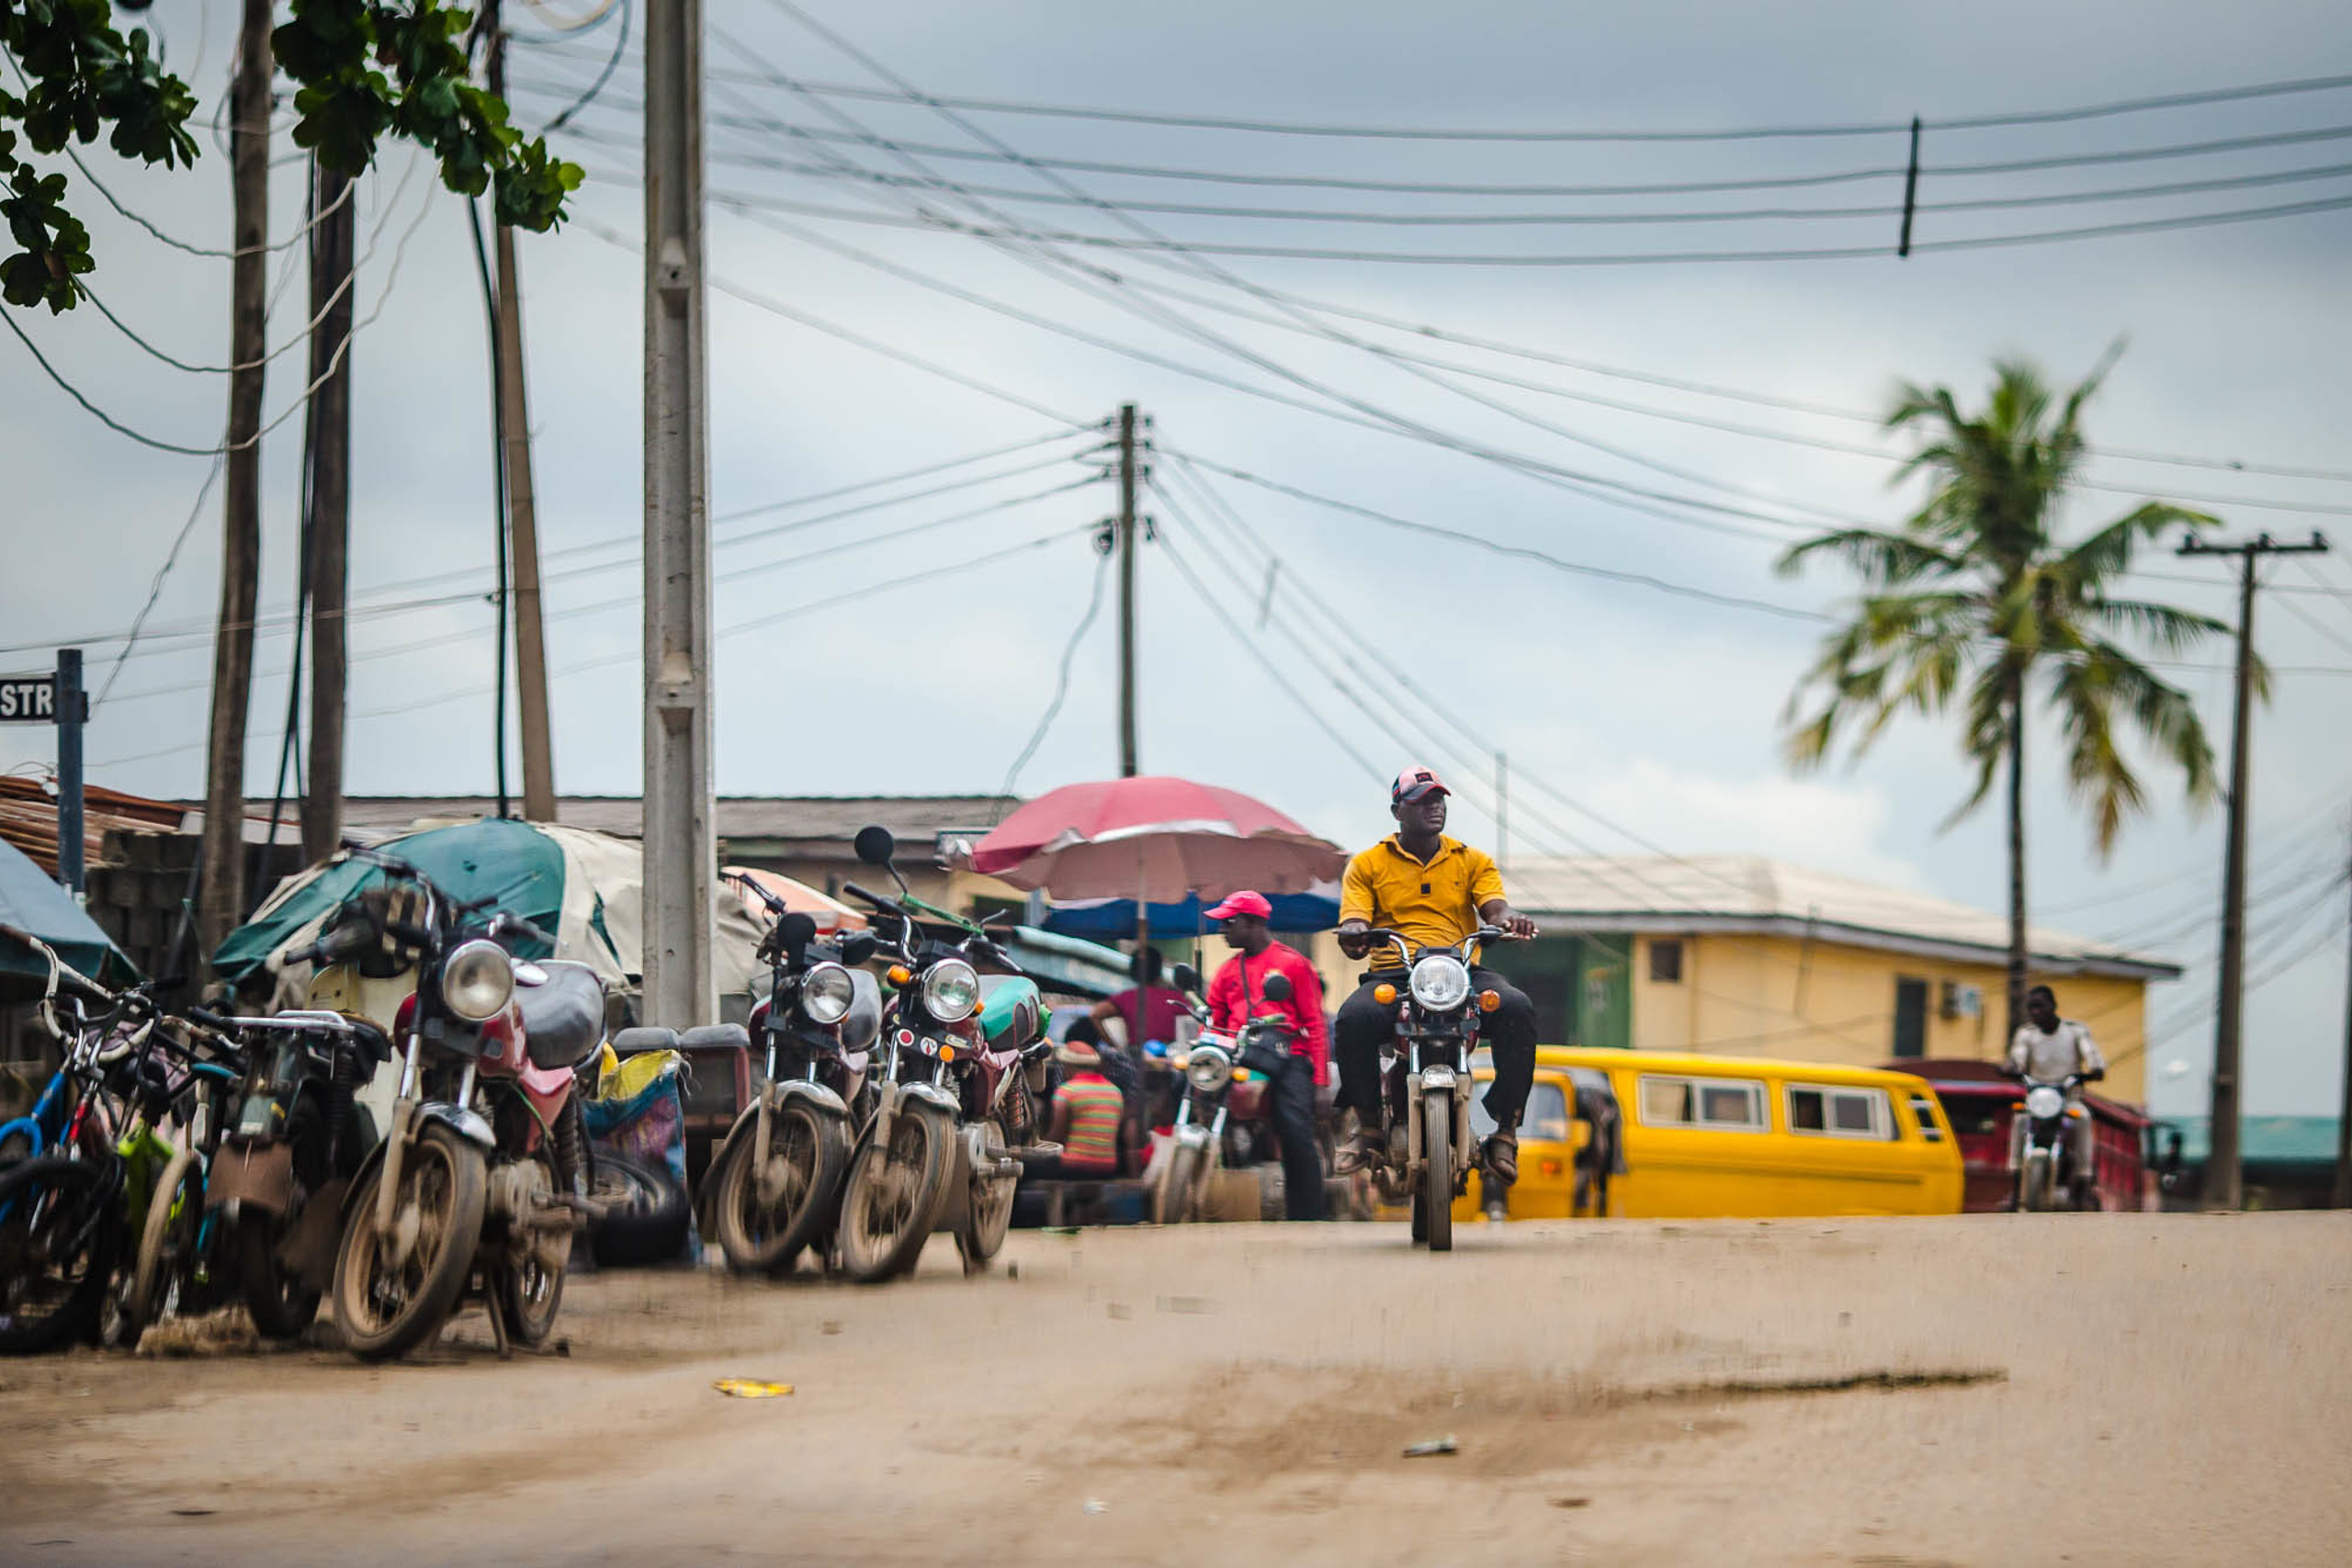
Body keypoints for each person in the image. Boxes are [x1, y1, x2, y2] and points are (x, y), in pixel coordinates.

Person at [1332, 764, 1540, 1188]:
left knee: (1517, 1007)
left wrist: (1510, 918)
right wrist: (1354, 932)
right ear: (1397, 811)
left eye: (1438, 800)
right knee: (1352, 1019)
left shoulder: (1472, 860)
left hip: (1461, 971)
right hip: (1394, 974)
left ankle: (1505, 1130)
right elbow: (1354, 917)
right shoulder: (1367, 864)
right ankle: (1368, 1123)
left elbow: (1495, 909)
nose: (1434, 808)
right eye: (1422, 801)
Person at [1202, 890, 1330, 1222]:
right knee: (1188, 1090)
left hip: (1289, 1055)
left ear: (1254, 923)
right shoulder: (1227, 971)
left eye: (1230, 922)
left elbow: (1315, 1023)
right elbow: (1214, 1019)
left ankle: (1307, 1215)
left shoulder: (1292, 963)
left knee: (1294, 1129)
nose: (1223, 929)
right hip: (1239, 1054)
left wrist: (1319, 1083)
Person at [2004, 984, 2107, 1205]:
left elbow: (2090, 1053)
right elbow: (2018, 1057)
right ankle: (2015, 1181)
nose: (2035, 1012)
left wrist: (2094, 1069)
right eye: (2031, 1008)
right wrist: (2012, 1067)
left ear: (2053, 1006)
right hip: (2037, 1099)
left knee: (2083, 1120)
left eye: (2039, 1007)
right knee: (2020, 1120)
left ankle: (2083, 1177)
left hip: (2068, 1098)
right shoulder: (2026, 1034)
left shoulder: (2075, 1031)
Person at [1042, 1037, 1125, 1179]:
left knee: (1024, 1169)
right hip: (1108, 1167)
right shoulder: (1115, 1091)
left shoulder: (1067, 1091)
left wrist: (1041, 1144)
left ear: (1069, 1066)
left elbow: (1057, 1137)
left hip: (1074, 1166)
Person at [1091, 946, 1190, 1055]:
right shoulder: (1177, 998)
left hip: (1138, 1059)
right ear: (1159, 969)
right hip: (1171, 1058)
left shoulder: (1126, 998)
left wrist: (1115, 1047)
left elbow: (1095, 1014)